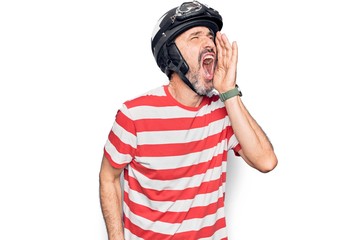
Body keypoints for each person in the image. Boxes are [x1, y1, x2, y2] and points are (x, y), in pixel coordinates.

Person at [99, 1, 278, 239]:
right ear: (172, 55)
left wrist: (229, 92)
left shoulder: (223, 110)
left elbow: (266, 161)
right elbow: (108, 177)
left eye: (210, 36)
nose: (209, 43)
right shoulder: (134, 115)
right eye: (195, 37)